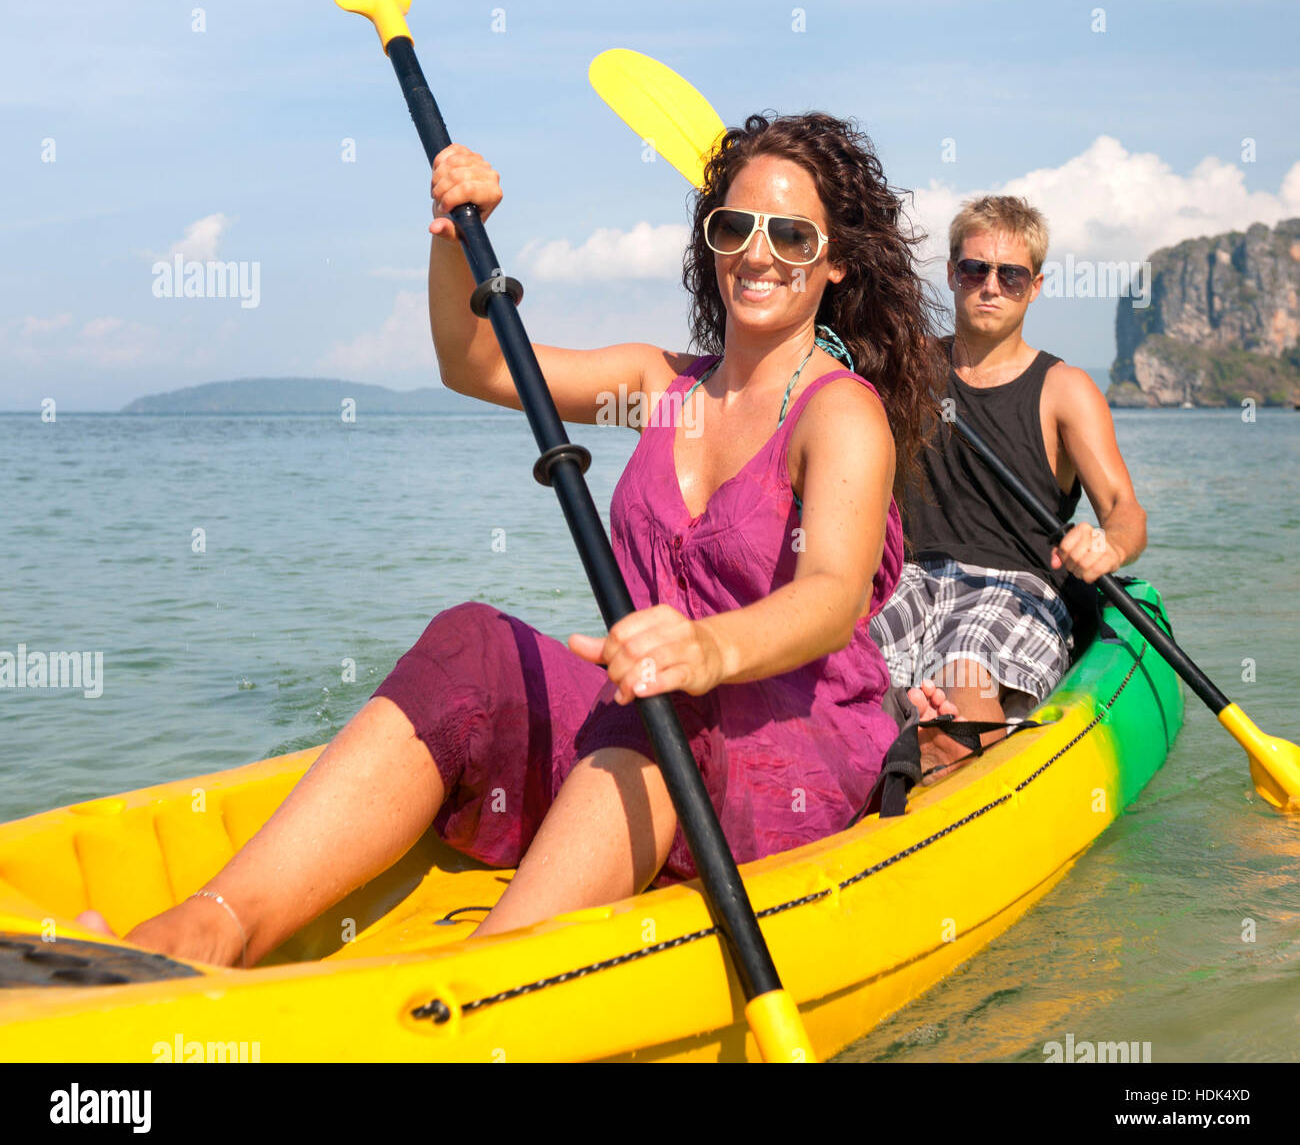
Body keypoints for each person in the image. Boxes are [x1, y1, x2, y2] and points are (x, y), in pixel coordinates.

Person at [77, 112, 944, 966]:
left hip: (786, 758)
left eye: (791, 235)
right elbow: (479, 363)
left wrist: (707, 649)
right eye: (735, 227)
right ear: (710, 241)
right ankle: (214, 927)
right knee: (474, 643)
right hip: (651, 717)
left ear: (834, 264)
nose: (758, 253)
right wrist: (460, 237)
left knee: (654, 710)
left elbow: (832, 594)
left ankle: (481, 994)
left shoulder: (841, 414)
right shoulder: (658, 385)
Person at [869, 195, 1148, 778]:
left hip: (1013, 587)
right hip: (906, 579)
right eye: (974, 269)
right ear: (951, 273)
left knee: (966, 673)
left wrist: (1109, 546)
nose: (990, 287)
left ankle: (950, 765)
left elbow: (1124, 509)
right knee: (844, 669)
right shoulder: (905, 369)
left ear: (1035, 286)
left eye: (1010, 275)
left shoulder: (1065, 390)